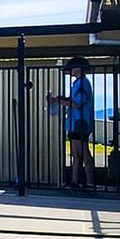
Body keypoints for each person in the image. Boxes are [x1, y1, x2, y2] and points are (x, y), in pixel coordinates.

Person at [47, 56, 95, 190]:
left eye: (72, 68)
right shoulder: (79, 83)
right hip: (77, 123)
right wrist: (60, 99)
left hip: (80, 123)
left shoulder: (81, 83)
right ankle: (76, 181)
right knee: (78, 152)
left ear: (78, 69)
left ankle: (88, 181)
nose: (70, 71)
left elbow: (76, 103)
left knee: (82, 152)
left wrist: (58, 101)